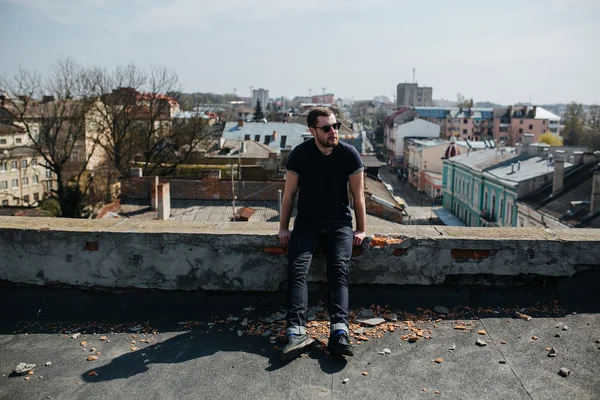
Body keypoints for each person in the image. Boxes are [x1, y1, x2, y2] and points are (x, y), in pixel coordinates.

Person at [278, 107, 366, 362]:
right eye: (327, 128)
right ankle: (296, 332)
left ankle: (339, 331)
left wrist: (361, 228)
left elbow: (358, 196)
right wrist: (283, 227)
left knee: (338, 269)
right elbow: (290, 194)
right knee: (296, 269)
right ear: (312, 131)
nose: (333, 132)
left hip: (339, 224)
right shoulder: (300, 155)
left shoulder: (349, 154)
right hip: (307, 223)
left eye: (336, 126)